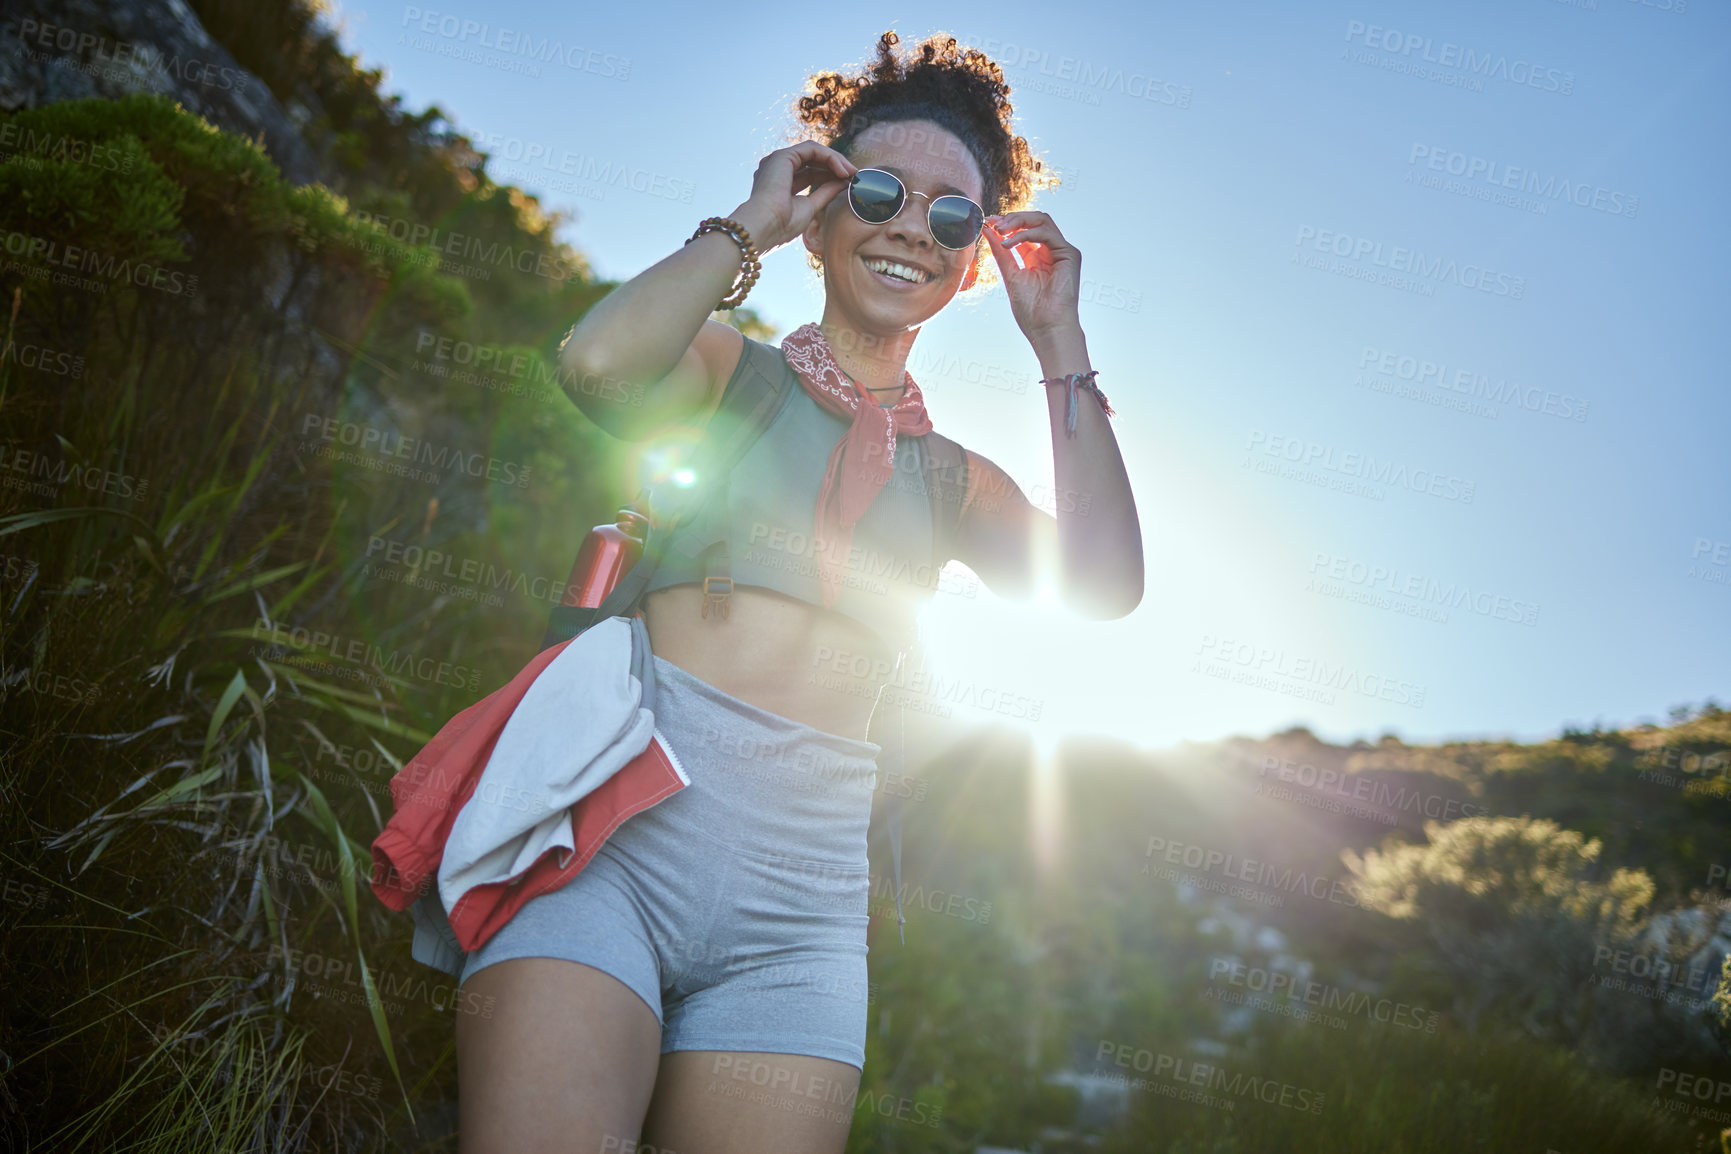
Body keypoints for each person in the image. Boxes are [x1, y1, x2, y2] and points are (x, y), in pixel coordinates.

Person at [454, 30, 1142, 1154]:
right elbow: (594, 365)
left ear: (975, 261)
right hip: (611, 847)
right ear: (823, 211)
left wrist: (1059, 336)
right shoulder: (732, 373)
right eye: (878, 189)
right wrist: (745, 227)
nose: (914, 224)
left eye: (953, 215)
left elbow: (1104, 589)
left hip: (802, 915)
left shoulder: (954, 478)